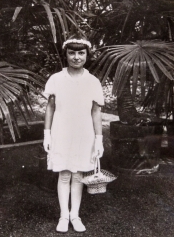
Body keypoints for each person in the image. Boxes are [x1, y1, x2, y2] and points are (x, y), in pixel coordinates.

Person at [43, 34, 104, 233]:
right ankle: (63, 216)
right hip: (62, 131)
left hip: (84, 133)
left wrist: (99, 140)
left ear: (87, 55)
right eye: (72, 53)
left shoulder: (93, 81)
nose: (76, 57)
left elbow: (96, 111)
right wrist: (47, 134)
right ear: (66, 55)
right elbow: (50, 108)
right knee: (64, 174)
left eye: (81, 53)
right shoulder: (56, 79)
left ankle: (75, 215)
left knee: (78, 175)